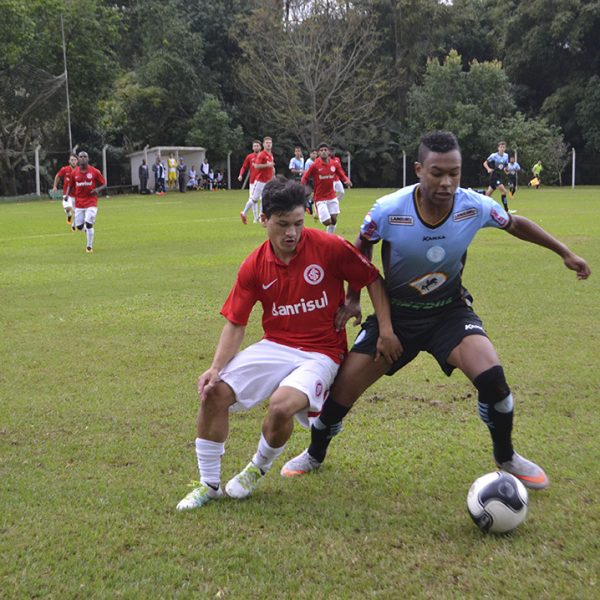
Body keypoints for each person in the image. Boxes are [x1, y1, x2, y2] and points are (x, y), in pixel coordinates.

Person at [282, 130, 591, 492]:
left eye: (454, 173)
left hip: (449, 312)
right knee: (339, 396)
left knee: (494, 380)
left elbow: (515, 223)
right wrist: (354, 297)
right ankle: (315, 453)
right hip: (396, 317)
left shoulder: (474, 205)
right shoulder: (389, 210)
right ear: (419, 170)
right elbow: (361, 245)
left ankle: (506, 456)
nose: (446, 182)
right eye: (437, 173)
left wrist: (564, 252)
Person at [176, 177, 401, 511]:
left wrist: (384, 328)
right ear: (264, 220)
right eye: (282, 224)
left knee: (281, 405)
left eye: (298, 223)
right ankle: (208, 485)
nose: (292, 233)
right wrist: (215, 368)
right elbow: (236, 323)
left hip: (322, 351)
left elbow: (371, 278)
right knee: (214, 393)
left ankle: (257, 467)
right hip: (276, 345)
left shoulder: (329, 246)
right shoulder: (253, 265)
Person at [301, 142, 352, 234]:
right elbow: (305, 176)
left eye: (325, 150)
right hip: (320, 198)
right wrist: (301, 185)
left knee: (334, 220)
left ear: (328, 152)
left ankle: (329, 236)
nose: (323, 152)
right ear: (318, 153)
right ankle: (317, 210)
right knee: (327, 222)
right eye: (321, 150)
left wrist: (346, 180)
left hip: (332, 196)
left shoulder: (334, 164)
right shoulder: (315, 165)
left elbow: (341, 173)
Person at [64, 151, 107, 254]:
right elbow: (71, 185)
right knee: (79, 226)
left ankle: (89, 246)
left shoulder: (94, 171)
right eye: (81, 157)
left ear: (88, 159)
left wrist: (97, 190)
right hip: (79, 203)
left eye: (85, 157)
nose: (83, 158)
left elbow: (104, 184)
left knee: (88, 224)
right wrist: (67, 195)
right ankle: (88, 229)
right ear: (78, 159)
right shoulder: (75, 172)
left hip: (91, 202)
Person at [241, 136, 275, 225]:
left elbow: (271, 167)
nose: (268, 144)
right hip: (260, 181)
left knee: (265, 199)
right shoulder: (262, 154)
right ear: (263, 145)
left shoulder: (270, 154)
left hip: (268, 181)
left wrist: (273, 175)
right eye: (267, 143)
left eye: (270, 143)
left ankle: (261, 218)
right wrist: (267, 165)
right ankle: (244, 213)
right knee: (254, 199)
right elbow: (256, 166)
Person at [52, 153, 78, 229]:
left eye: (75, 160)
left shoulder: (80, 170)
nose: (73, 161)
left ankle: (73, 224)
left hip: (77, 195)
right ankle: (69, 214)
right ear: (69, 161)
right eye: (72, 160)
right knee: (68, 207)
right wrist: (55, 186)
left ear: (77, 161)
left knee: (77, 213)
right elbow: (58, 176)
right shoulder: (65, 169)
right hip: (66, 194)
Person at [483, 141, 511, 212]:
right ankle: (506, 210)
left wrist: (506, 170)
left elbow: (505, 165)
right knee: (504, 191)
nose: (502, 148)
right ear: (498, 148)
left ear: (505, 148)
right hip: (495, 175)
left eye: (503, 147)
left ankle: (481, 206)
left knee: (488, 194)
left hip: (500, 175)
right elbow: (485, 163)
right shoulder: (493, 156)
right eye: (501, 147)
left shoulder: (506, 155)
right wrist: (488, 169)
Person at [239, 140, 262, 224]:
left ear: (260, 147)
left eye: (257, 146)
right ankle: (255, 218)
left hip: (262, 181)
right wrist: (241, 175)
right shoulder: (249, 157)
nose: (256, 147)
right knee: (253, 200)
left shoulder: (263, 156)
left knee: (262, 199)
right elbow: (244, 167)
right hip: (252, 182)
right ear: (252, 147)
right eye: (254, 146)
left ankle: (260, 217)